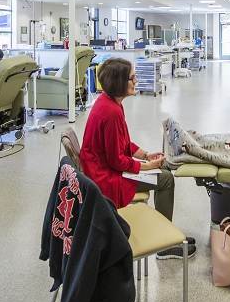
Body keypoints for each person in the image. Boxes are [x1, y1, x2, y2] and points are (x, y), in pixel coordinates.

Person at [80, 58, 196, 260]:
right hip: (105, 178)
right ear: (119, 82)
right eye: (132, 78)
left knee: (164, 170)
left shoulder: (109, 102)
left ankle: (166, 231)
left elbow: (121, 142)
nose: (136, 81)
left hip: (102, 168)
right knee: (166, 179)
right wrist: (147, 166)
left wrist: (145, 155)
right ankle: (164, 243)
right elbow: (116, 161)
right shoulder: (112, 112)